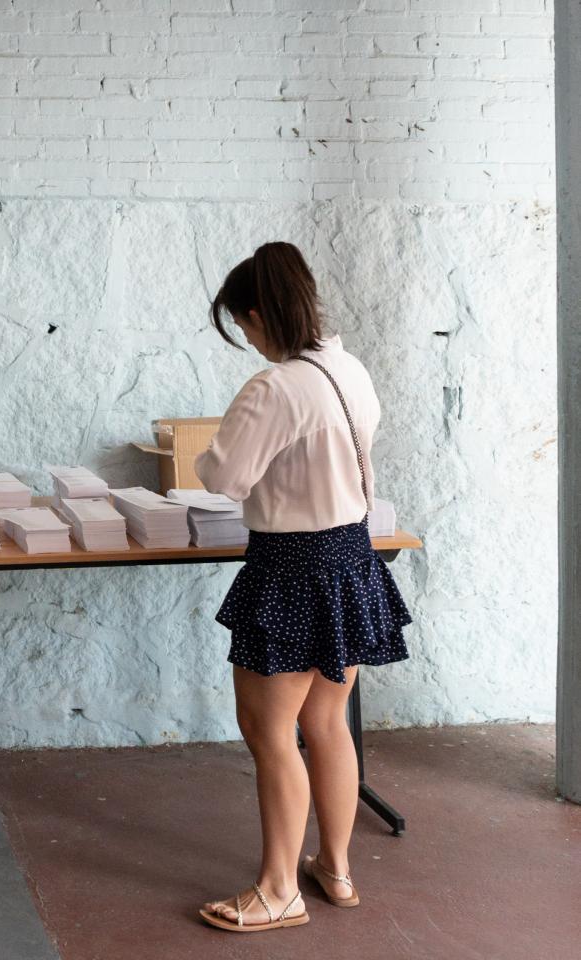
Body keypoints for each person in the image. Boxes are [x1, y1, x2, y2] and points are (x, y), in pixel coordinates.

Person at [193, 242, 411, 933]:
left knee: (268, 730)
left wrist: (209, 456)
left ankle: (278, 889)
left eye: (243, 326)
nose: (249, 340)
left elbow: (224, 477)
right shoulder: (350, 369)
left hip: (290, 568)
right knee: (327, 721)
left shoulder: (275, 387)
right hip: (350, 558)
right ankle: (335, 868)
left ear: (258, 314)